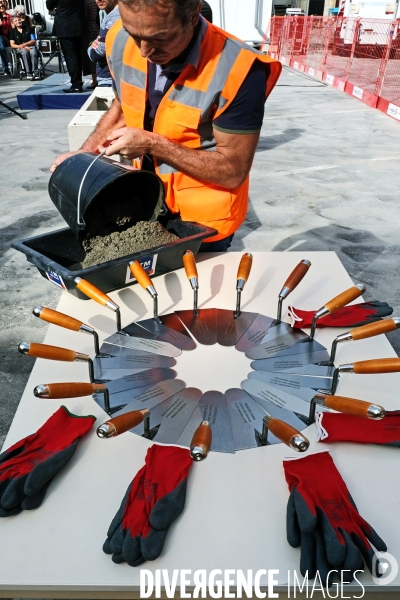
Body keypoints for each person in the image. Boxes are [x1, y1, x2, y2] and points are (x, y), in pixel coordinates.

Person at [51, 0, 281, 250]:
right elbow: (122, 105)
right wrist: (85, 154)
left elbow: (233, 170)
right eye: (135, 35)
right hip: (142, 207)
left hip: (201, 224)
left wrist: (153, 144)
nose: (144, 51)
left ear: (193, 15)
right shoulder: (118, 37)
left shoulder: (239, 69)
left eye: (160, 37)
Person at [45, 0, 85, 93]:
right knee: (77, 56)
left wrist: (56, 6)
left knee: (71, 58)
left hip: (65, 28)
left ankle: (76, 84)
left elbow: (49, 5)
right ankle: (78, 82)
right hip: (78, 25)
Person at [87, 0, 119, 87]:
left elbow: (97, 54)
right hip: (112, 78)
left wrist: (90, 48)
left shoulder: (114, 18)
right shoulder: (112, 15)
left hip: (110, 80)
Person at [9, 13, 38, 79]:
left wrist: (25, 44)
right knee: (24, 52)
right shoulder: (13, 32)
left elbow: (33, 40)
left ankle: (35, 71)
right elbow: (12, 44)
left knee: (33, 52)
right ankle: (28, 72)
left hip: (30, 46)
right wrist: (22, 46)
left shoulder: (28, 28)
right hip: (20, 48)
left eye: (19, 20)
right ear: (13, 23)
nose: (18, 21)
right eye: (16, 21)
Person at [82, 0, 99, 88]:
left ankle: (94, 80)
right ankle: (96, 79)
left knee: (90, 55)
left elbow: (83, 16)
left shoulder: (86, 2)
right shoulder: (94, 1)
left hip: (87, 29)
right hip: (94, 27)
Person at [0, 0, 11, 75]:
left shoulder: (8, 15)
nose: (1, 6)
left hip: (2, 35)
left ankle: (5, 68)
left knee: (2, 48)